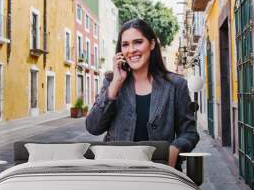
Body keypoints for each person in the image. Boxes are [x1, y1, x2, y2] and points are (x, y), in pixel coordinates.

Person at [85, 19, 199, 169]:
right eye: (125, 44)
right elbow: (93, 127)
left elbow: (190, 133)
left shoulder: (176, 85)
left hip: (160, 172)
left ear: (152, 44)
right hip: (116, 171)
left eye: (138, 42)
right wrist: (115, 85)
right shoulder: (111, 82)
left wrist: (175, 149)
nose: (131, 50)